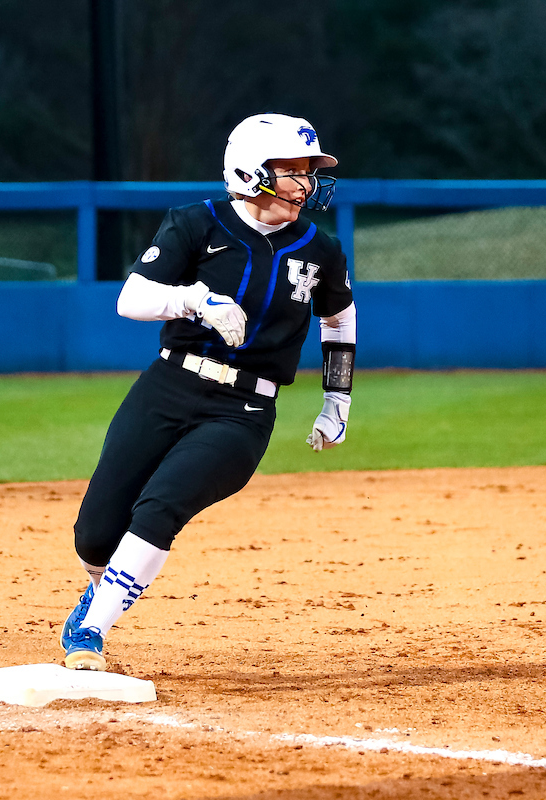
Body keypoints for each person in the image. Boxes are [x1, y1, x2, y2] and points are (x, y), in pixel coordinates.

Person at [57, 113, 356, 671]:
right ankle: (101, 586)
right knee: (95, 534)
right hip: (169, 385)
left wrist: (336, 399)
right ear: (250, 172)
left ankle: (92, 630)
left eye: (308, 172)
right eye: (291, 171)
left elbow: (339, 319)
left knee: (160, 505)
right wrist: (196, 300)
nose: (305, 184)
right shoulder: (197, 223)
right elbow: (132, 300)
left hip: (244, 410)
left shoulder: (321, 247)